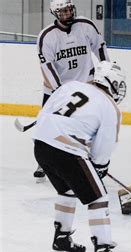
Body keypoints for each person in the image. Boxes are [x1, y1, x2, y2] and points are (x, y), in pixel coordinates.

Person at [32, 61, 130, 252]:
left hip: (40, 145)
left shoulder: (70, 86)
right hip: (67, 150)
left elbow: (45, 111)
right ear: (112, 82)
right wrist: (99, 166)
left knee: (66, 190)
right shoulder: (110, 106)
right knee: (98, 198)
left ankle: (62, 239)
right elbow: (104, 146)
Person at [34, 0, 110, 180]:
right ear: (55, 14)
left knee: (89, 125)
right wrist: (60, 92)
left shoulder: (85, 26)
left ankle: (90, 159)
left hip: (86, 86)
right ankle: (43, 163)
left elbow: (100, 48)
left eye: (69, 10)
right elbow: (47, 67)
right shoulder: (47, 36)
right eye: (63, 12)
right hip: (56, 91)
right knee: (47, 126)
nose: (67, 14)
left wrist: (106, 73)